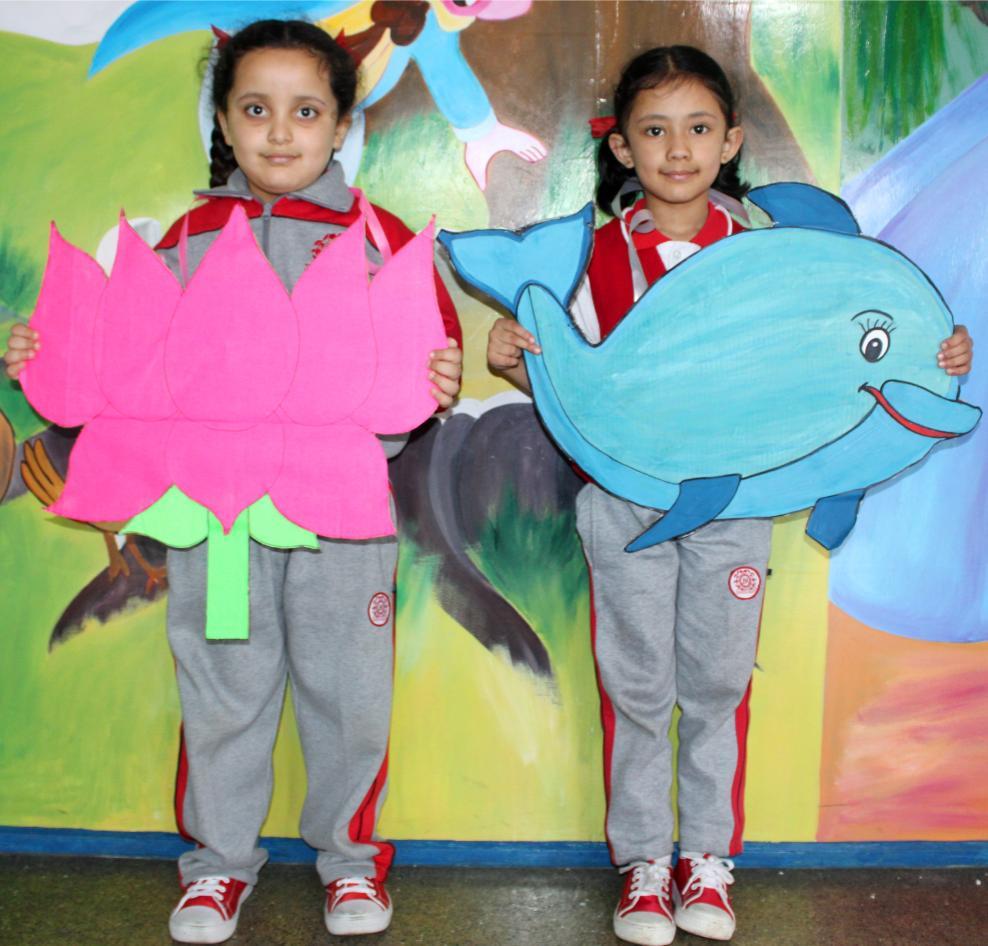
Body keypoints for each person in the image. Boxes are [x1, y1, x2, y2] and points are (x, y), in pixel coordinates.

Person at [486, 46, 972, 946]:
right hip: (623, 507)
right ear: (623, 147)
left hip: (738, 507)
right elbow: (576, 401)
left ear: (732, 141)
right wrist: (517, 362)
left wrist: (934, 354)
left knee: (715, 683)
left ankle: (707, 858)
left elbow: (843, 357)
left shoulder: (775, 255)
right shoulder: (590, 258)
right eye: (655, 130)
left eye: (699, 128)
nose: (678, 149)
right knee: (637, 687)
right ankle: (643, 863)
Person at [5, 19, 462, 944]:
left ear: (342, 124)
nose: (280, 132)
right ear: (223, 120)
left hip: (342, 521)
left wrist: (441, 376)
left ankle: (349, 861)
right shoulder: (187, 237)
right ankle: (217, 864)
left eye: (306, 111)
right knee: (223, 686)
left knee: (350, 694)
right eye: (255, 109)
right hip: (220, 521)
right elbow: (126, 362)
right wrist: (44, 355)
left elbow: (428, 351)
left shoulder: (382, 238)